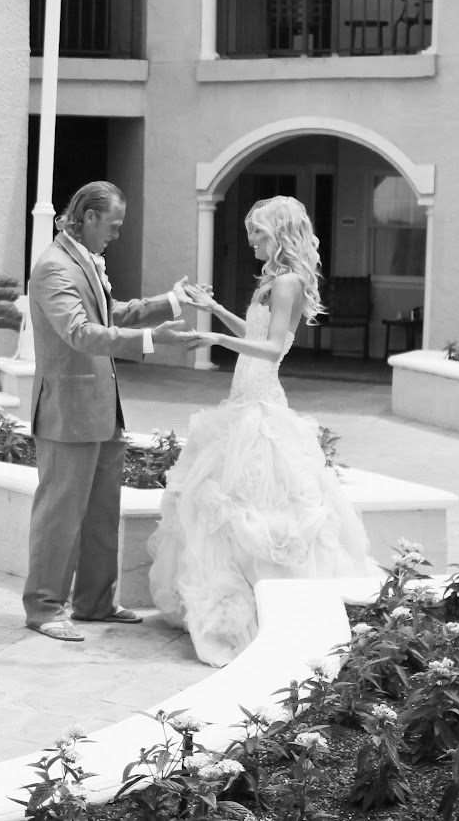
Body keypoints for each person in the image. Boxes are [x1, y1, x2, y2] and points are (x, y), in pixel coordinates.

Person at [148, 195, 371, 667]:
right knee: (225, 507)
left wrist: (213, 339)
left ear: (280, 235)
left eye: (259, 233)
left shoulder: (288, 282)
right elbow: (255, 334)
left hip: (261, 405)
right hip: (242, 401)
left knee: (256, 507)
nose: (251, 240)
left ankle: (270, 610)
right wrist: (214, 309)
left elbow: (272, 350)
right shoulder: (272, 281)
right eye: (251, 232)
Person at [24, 181, 190, 643]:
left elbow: (108, 312)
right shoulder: (54, 267)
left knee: (101, 513)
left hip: (101, 409)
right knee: (60, 515)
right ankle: (43, 607)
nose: (117, 234)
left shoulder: (83, 260)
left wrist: (171, 302)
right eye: (113, 225)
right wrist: (154, 340)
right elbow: (81, 332)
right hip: (66, 412)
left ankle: (95, 602)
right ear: (90, 217)